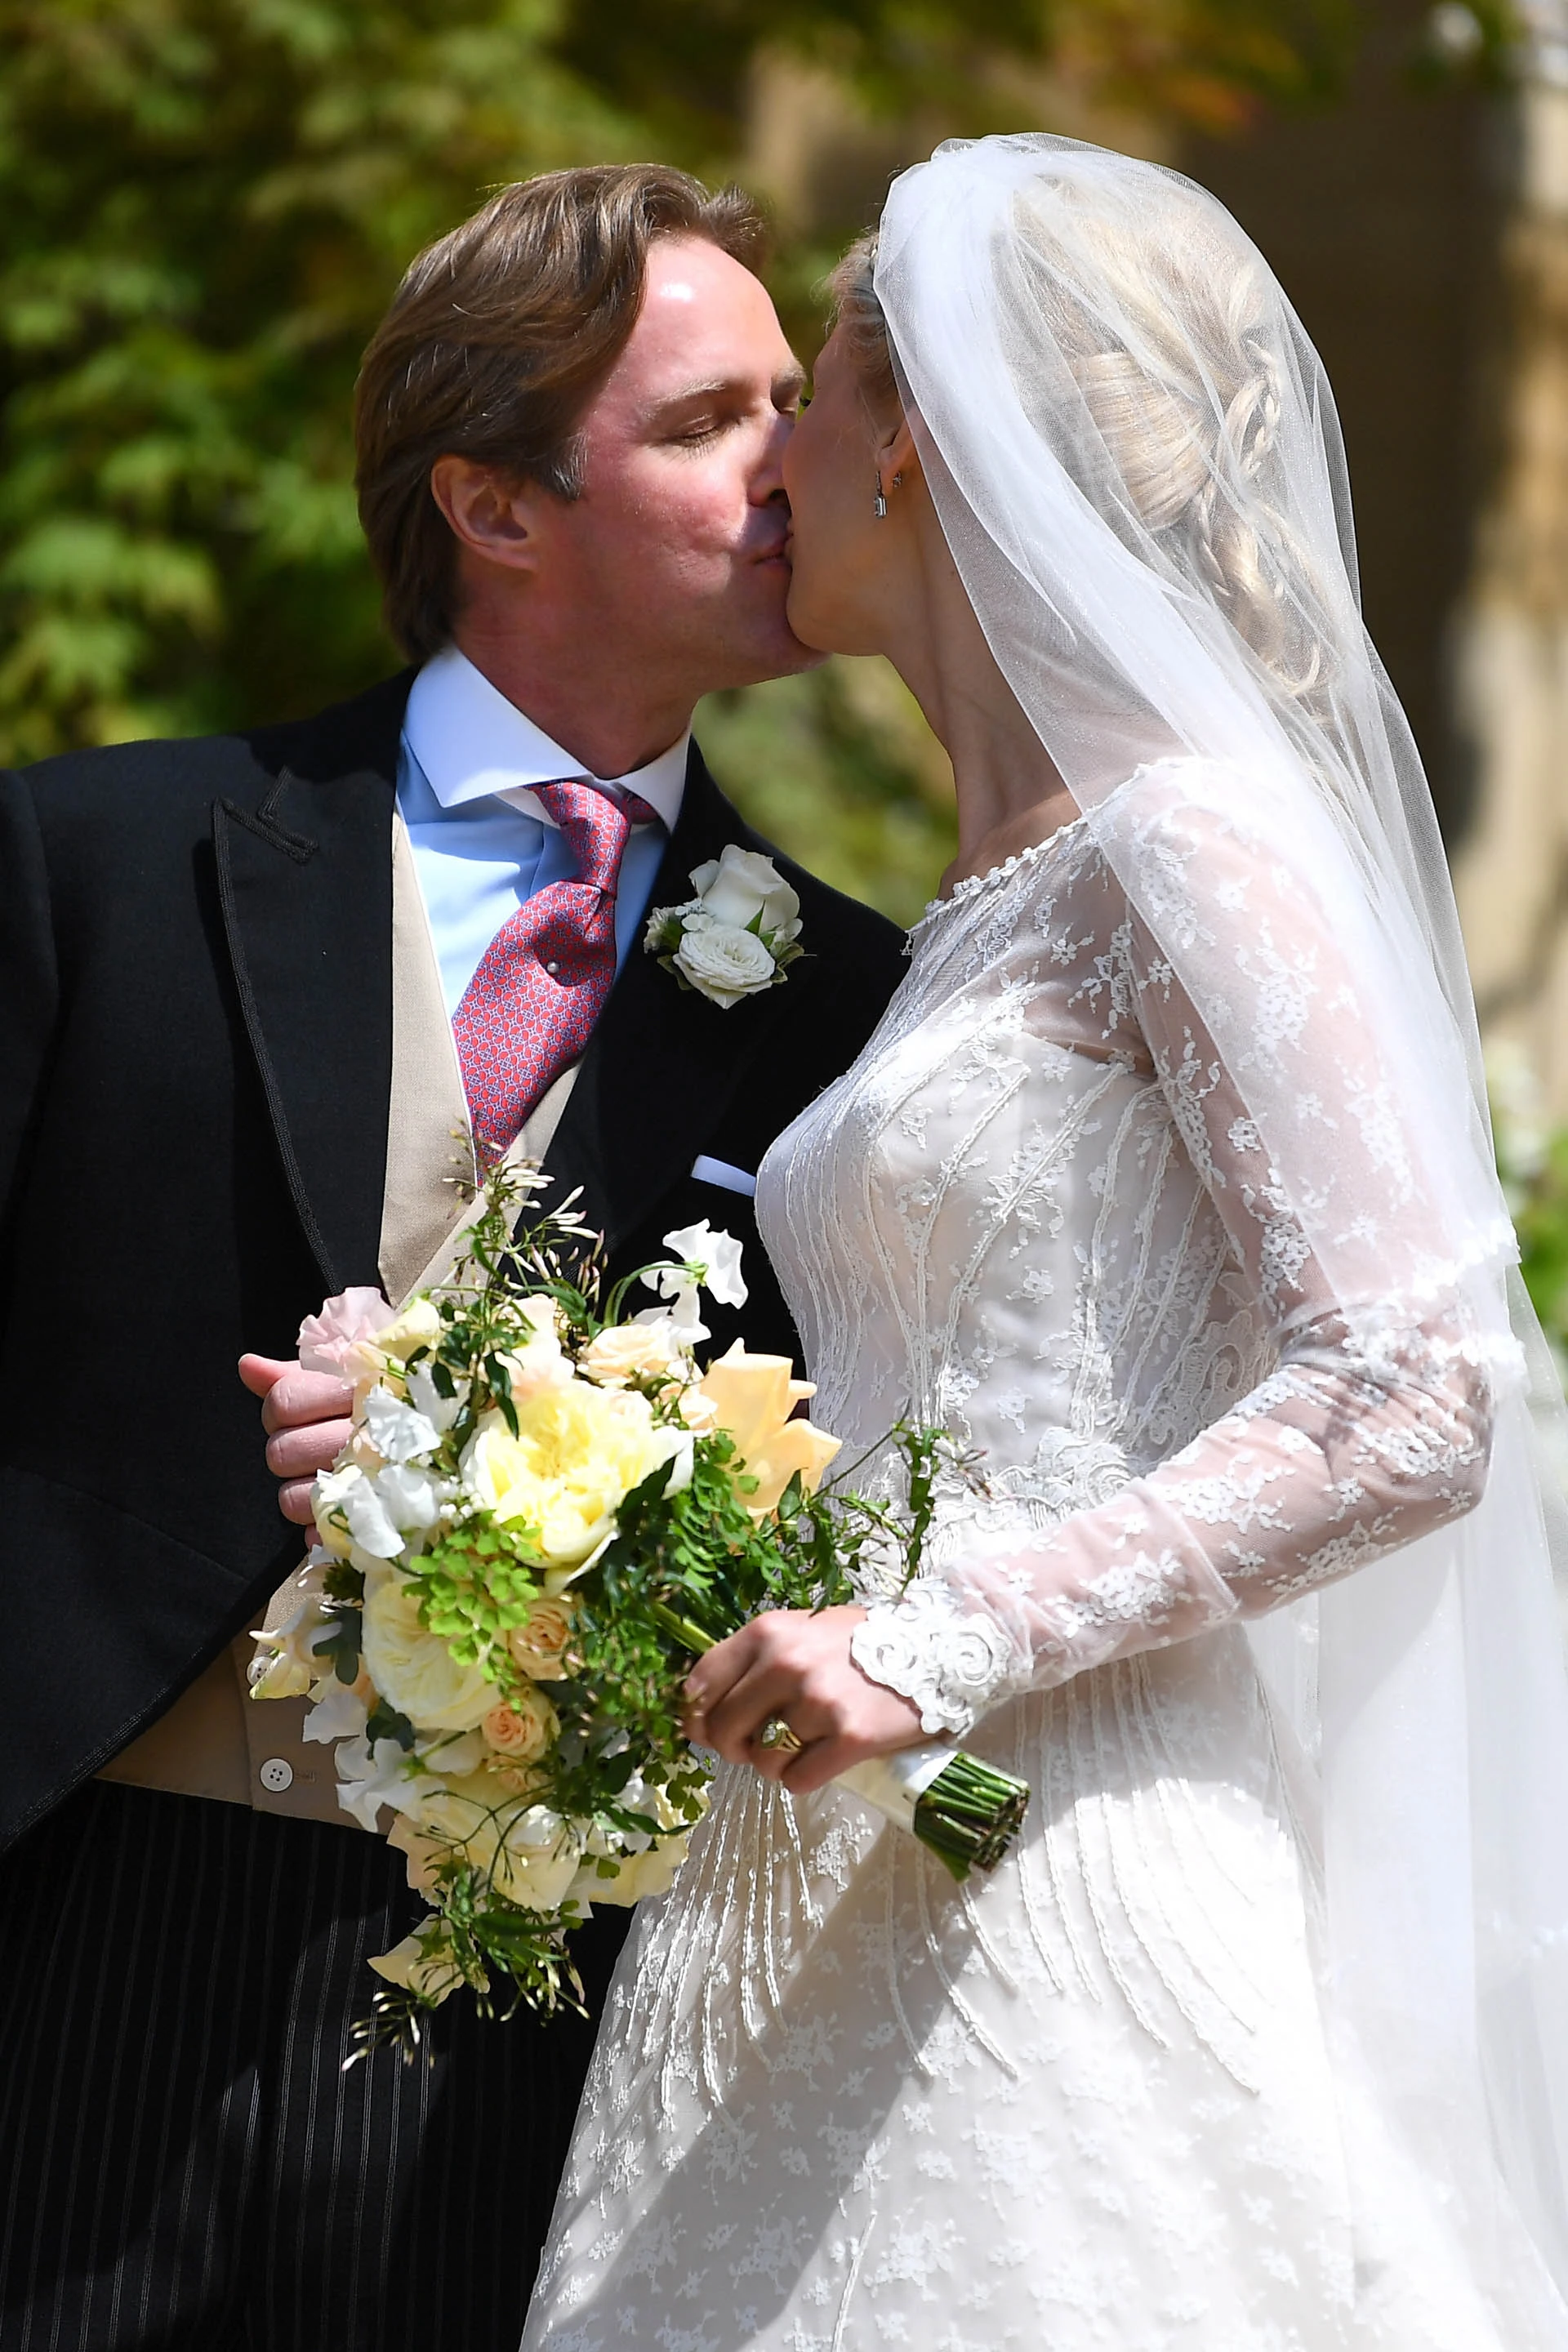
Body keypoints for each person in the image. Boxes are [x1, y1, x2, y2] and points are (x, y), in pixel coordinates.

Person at [520, 136, 1568, 2349]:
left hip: (1065, 1856)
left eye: (803, 394)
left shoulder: (1192, 845)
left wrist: (941, 1641)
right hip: (830, 1859)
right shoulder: (980, 910)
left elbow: (1415, 1395)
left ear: (922, 438)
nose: (775, 455)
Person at [0, 165, 907, 2352]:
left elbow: (853, 1501)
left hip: (555, 1999)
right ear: (496, 504)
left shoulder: (868, 1011)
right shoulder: (90, 857)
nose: (787, 461)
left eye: (794, 401)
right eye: (704, 420)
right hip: (75, 1923)